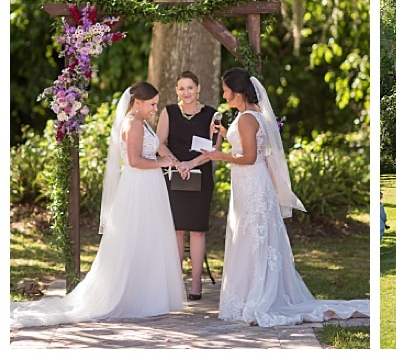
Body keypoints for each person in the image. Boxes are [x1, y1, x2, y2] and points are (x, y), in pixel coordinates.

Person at [201, 68, 368, 326]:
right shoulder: (250, 115)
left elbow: (249, 157)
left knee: (251, 237)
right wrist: (225, 134)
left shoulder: (246, 118)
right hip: (250, 183)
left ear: (237, 92)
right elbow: (248, 146)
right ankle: (249, 293)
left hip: (252, 183)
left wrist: (218, 156)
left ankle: (255, 296)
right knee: (249, 236)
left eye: (225, 90)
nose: (223, 95)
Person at [12, 83, 185, 327]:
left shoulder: (143, 122)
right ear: (138, 102)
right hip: (138, 188)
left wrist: (172, 161)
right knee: (134, 237)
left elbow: (156, 147)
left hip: (150, 187)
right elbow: (134, 161)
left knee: (150, 237)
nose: (155, 109)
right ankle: (132, 297)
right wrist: (161, 163)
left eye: (156, 104)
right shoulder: (132, 124)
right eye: (152, 104)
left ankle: (150, 295)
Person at [156, 71, 220, 301]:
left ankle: (195, 286)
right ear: (176, 91)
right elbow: (160, 143)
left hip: (200, 174)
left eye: (190, 87)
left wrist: (191, 163)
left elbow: (215, 148)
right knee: (176, 229)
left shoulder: (212, 114)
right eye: (181, 88)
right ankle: (175, 283)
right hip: (173, 174)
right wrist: (177, 163)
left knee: (196, 229)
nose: (186, 92)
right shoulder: (169, 112)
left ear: (199, 88)